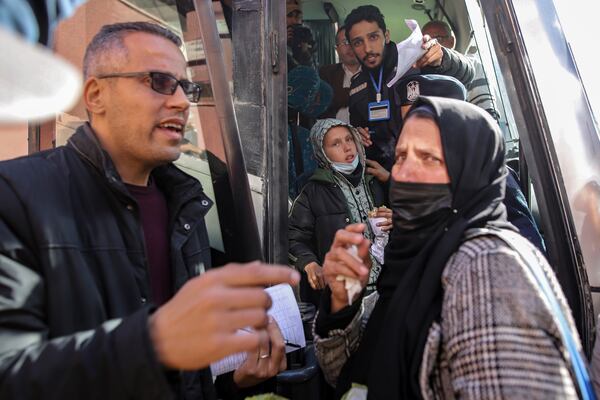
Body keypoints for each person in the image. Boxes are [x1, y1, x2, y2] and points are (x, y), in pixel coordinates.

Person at [0, 21, 301, 399]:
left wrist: (232, 382)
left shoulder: (186, 206)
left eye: (186, 88)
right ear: (95, 95)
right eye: (158, 81)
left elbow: (184, 371)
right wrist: (152, 342)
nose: (181, 102)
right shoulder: (15, 197)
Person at [313, 96, 582, 398]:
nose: (404, 173)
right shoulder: (413, 260)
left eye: (429, 159)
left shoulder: (487, 269)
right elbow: (348, 375)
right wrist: (341, 305)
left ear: (469, 171)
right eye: (401, 156)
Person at [345, 5, 474, 172]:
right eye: (358, 42)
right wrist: (358, 135)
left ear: (386, 36)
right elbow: (358, 128)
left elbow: (468, 74)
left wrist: (444, 58)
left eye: (373, 37)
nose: (367, 49)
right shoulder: (356, 86)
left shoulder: (416, 57)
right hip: (384, 175)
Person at [289, 119, 391, 307]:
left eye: (349, 139)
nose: (346, 148)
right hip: (344, 295)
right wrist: (310, 264)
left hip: (385, 287)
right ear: (322, 152)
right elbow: (294, 237)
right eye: (335, 144)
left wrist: (394, 221)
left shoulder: (375, 181)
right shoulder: (312, 192)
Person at [422, 20, 500, 120]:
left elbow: (488, 114)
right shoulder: (415, 75)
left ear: (452, 41)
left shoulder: (473, 66)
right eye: (426, 41)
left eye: (438, 39)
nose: (432, 44)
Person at [319, 26, 361, 123]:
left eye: (355, 41)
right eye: (346, 42)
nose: (350, 46)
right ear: (336, 49)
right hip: (334, 134)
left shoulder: (373, 73)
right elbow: (322, 104)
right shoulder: (326, 73)